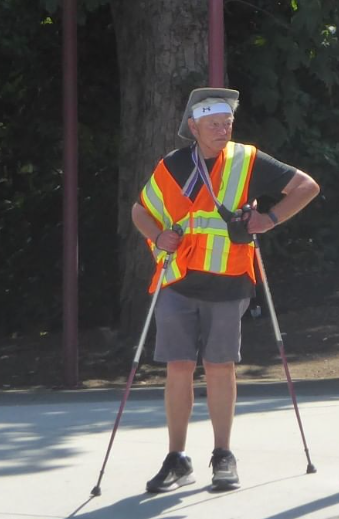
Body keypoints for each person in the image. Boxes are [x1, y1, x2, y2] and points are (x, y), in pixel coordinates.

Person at [131, 87, 320, 493]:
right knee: (178, 366)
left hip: (230, 278)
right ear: (193, 127)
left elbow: (306, 186)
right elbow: (140, 209)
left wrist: (269, 219)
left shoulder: (247, 159)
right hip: (179, 279)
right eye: (214, 123)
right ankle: (177, 458)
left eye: (227, 123)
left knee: (220, 366)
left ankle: (222, 455)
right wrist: (158, 236)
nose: (222, 129)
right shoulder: (173, 165)